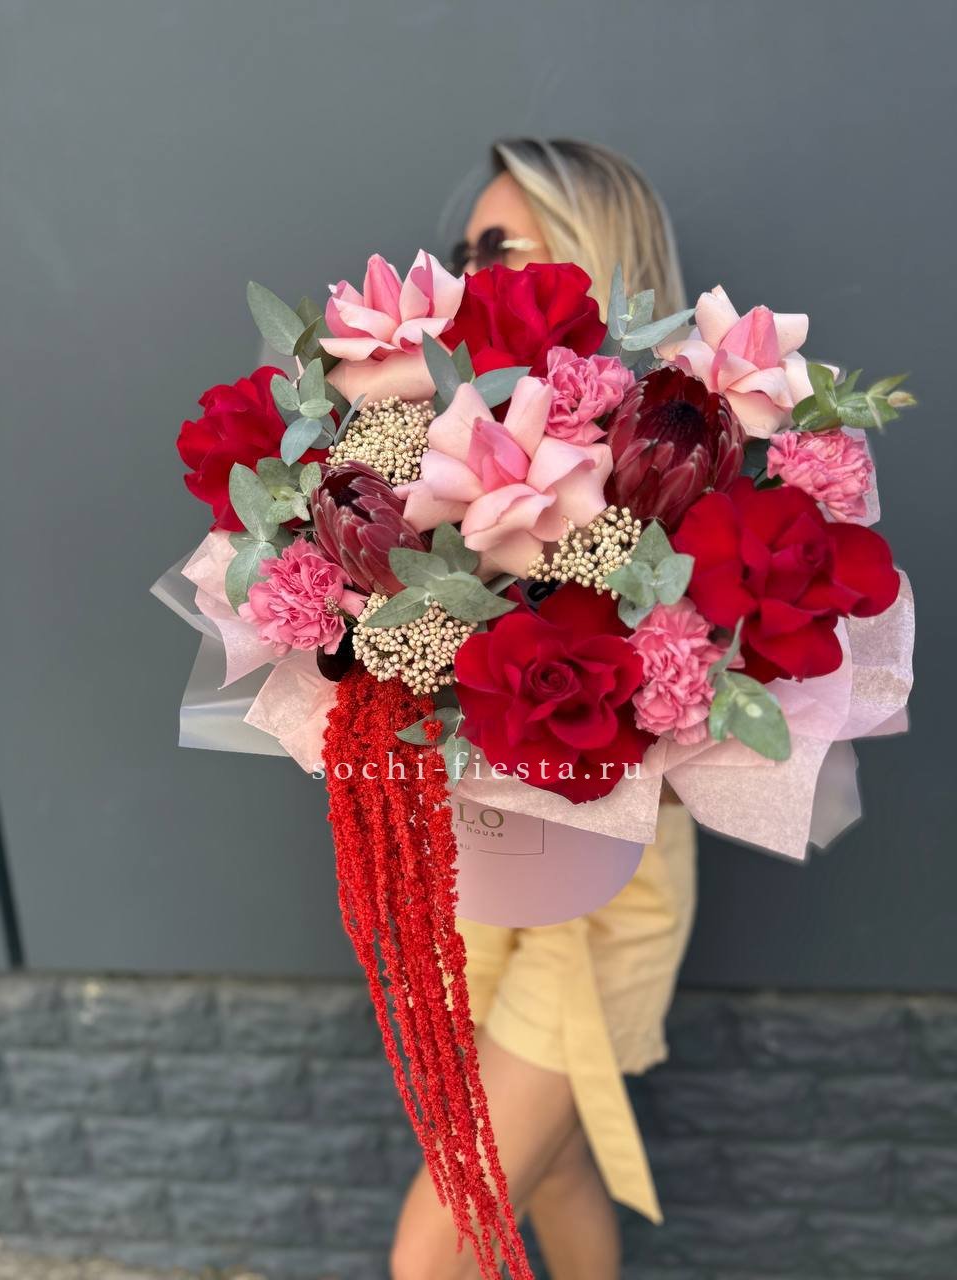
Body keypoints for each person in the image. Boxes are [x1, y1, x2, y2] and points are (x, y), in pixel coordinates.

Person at [390, 138, 696, 1280]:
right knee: (553, 1168)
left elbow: (713, 693)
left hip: (606, 890)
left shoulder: (678, 448)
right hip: (479, 867)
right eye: (465, 249)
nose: (469, 272)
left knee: (434, 1248)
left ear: (588, 250)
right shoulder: (438, 430)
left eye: (498, 246)